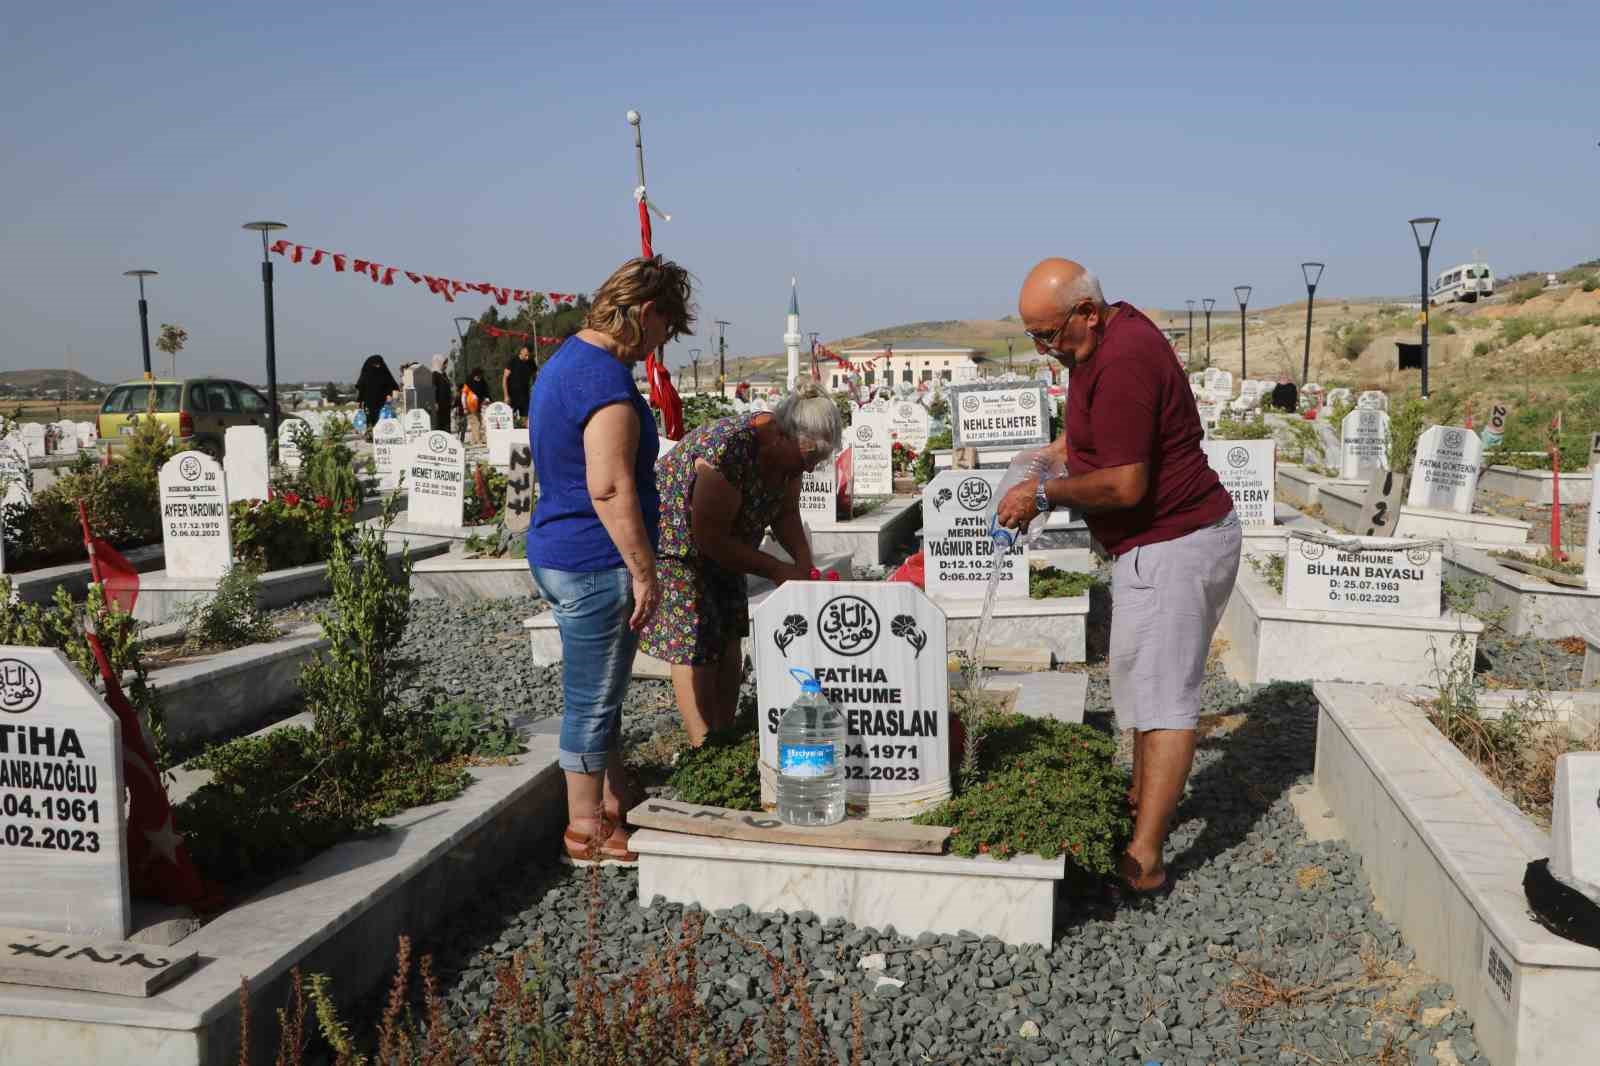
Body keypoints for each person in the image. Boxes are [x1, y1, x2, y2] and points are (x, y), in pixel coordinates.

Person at [995, 258, 1241, 895]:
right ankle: (1139, 801)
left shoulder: (1125, 357)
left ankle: (1145, 861)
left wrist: (1044, 496)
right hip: (1155, 547)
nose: (1046, 350)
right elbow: (1097, 436)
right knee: (1139, 681)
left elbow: (1127, 485)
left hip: (1173, 543)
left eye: (1050, 335)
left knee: (1163, 702)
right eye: (1033, 338)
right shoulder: (1098, 345)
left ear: (1087, 311)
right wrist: (1047, 458)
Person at [526, 255, 694, 864]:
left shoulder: (565, 363)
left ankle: (615, 795)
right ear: (646, 314)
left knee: (603, 687)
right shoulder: (603, 381)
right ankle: (584, 829)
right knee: (592, 698)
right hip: (595, 559)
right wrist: (645, 571)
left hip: (559, 547)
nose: (659, 346)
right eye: (663, 332)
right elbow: (611, 486)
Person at [639, 382, 840, 744]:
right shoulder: (728, 452)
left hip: (731, 540)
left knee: (731, 632)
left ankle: (724, 731)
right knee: (695, 640)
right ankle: (701, 746)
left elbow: (785, 512)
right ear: (780, 436)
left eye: (814, 463)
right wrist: (776, 569)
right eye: (806, 461)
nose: (807, 471)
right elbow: (709, 537)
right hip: (679, 544)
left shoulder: (790, 457)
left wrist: (805, 566)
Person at [355, 354, 400, 436]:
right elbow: (361, 389)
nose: (378, 366)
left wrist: (389, 394)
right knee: (370, 419)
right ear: (370, 364)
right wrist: (359, 401)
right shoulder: (366, 375)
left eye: (379, 364)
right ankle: (370, 435)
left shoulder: (384, 373)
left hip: (382, 402)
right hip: (369, 403)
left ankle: (383, 436)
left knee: (382, 419)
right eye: (375, 364)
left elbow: (390, 385)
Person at [503, 343, 537, 421]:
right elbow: (504, 379)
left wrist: (534, 386)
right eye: (526, 355)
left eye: (529, 356)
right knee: (510, 420)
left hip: (525, 396)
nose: (527, 358)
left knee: (526, 419)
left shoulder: (531, 362)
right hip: (512, 396)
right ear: (521, 351)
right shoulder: (512, 361)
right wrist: (506, 395)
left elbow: (535, 375)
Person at [462, 367, 491, 445]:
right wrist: (464, 407)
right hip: (469, 408)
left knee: (479, 424)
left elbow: (486, 393)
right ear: (474, 375)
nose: (479, 378)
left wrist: (487, 399)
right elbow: (463, 396)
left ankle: (474, 441)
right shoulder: (468, 383)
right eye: (478, 376)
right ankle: (478, 441)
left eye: (480, 376)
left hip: (479, 407)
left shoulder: (483, 382)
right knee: (475, 424)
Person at [429, 355, 453, 431]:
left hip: (446, 406)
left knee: (447, 426)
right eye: (444, 363)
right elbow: (433, 389)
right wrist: (435, 402)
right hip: (438, 407)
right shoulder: (434, 375)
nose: (446, 366)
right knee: (439, 426)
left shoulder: (444, 375)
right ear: (438, 363)